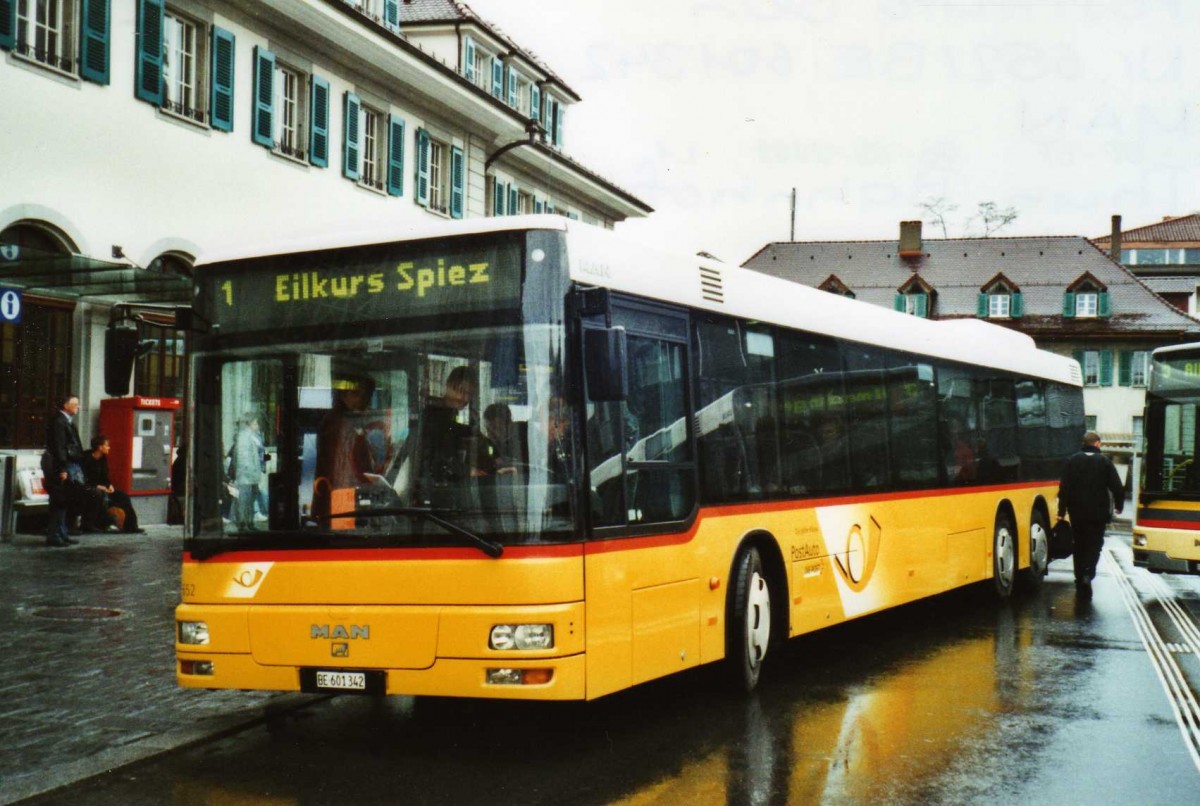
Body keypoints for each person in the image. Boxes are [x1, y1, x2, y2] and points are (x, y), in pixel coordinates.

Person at [313, 374, 391, 520]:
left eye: (366, 396)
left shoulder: (361, 423)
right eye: (355, 394)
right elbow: (342, 468)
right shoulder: (336, 423)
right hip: (342, 495)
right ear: (343, 394)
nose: (361, 401)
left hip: (352, 495)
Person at [1057, 430, 1124, 599]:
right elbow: (1116, 486)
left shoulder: (1072, 461)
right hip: (1098, 512)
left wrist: (1061, 511)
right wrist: (1119, 505)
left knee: (1079, 544)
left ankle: (1079, 577)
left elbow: (1064, 488)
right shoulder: (1105, 462)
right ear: (1097, 443)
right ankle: (1088, 573)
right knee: (1095, 544)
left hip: (1076, 511)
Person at [415, 366, 476, 504]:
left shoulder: (451, 416)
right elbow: (440, 457)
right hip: (433, 491)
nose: (464, 398)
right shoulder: (434, 415)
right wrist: (468, 471)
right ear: (447, 387)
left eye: (469, 394)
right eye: (460, 391)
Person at [42, 394, 84, 547]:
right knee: (59, 500)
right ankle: (54, 535)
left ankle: (62, 532)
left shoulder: (66, 421)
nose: (78, 407)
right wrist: (62, 468)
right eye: (75, 404)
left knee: (64, 500)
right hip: (58, 465)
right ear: (66, 405)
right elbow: (59, 447)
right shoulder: (59, 422)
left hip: (64, 464)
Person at [80, 435, 144, 533]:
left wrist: (109, 485)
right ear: (100, 447)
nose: (109, 447)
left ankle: (131, 526)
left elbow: (105, 476)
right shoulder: (86, 458)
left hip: (103, 488)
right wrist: (97, 486)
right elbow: (83, 477)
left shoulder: (103, 459)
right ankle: (91, 525)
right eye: (107, 445)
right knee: (97, 494)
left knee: (123, 496)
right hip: (89, 487)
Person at [233, 414, 265, 531]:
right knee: (244, 500)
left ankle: (249, 522)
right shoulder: (244, 437)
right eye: (256, 423)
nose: (258, 426)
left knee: (250, 500)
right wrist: (250, 473)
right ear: (250, 423)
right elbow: (244, 458)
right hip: (246, 476)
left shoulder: (252, 436)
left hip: (251, 475)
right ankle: (243, 523)